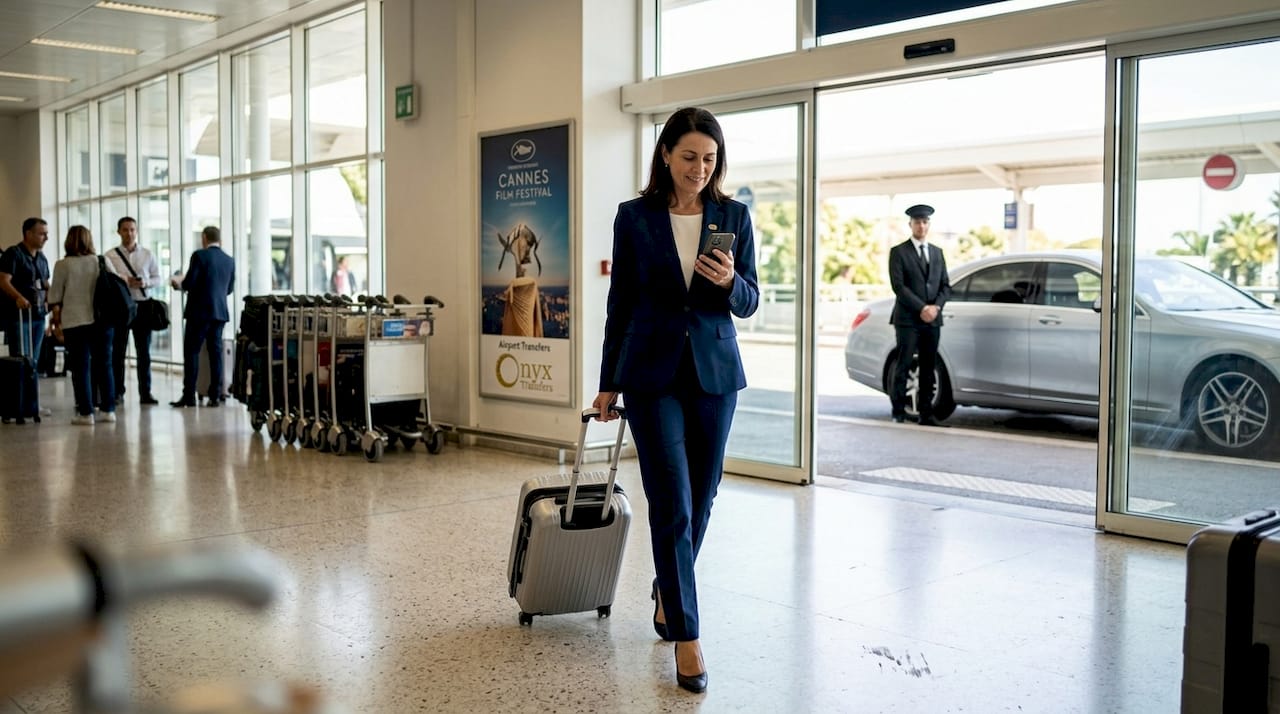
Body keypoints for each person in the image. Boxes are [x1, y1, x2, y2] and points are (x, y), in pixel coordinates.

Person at [592, 106, 759, 695]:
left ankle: (669, 587)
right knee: (672, 501)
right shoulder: (634, 218)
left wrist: (728, 282)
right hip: (651, 375)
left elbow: (749, 301)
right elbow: (622, 304)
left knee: (705, 493)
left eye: (709, 159)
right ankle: (688, 639)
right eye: (688, 156)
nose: (698, 168)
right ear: (666, 154)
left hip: (714, 372)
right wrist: (609, 379)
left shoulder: (733, 215)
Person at [48, 225, 119, 425]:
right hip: (102, 321)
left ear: (68, 241)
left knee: (80, 368)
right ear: (90, 240)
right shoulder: (101, 261)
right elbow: (116, 285)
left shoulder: (62, 265)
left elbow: (55, 296)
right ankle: (108, 410)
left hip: (74, 322)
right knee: (105, 365)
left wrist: (56, 322)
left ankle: (86, 413)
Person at [888, 204, 951, 426]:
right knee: (904, 364)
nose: (921, 226)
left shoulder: (937, 252)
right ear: (910, 225)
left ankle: (926, 413)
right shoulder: (898, 252)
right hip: (907, 319)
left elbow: (945, 286)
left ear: (929, 225)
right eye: (917, 222)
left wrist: (935, 308)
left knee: (928, 366)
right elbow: (899, 286)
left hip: (933, 319)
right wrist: (922, 308)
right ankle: (898, 412)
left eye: (925, 222)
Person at [171, 226, 234, 408]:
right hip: (219, 313)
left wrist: (178, 284)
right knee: (216, 354)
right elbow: (229, 289)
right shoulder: (229, 260)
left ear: (204, 238)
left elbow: (190, 282)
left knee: (192, 353)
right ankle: (215, 394)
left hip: (198, 313)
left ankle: (189, 395)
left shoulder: (199, 256)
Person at [105, 217, 161, 405]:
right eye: (125, 230)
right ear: (118, 232)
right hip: (121, 307)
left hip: (143, 305)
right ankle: (118, 391)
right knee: (118, 351)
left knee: (143, 352)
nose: (129, 233)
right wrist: (125, 280)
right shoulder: (110, 255)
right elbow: (109, 280)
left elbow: (157, 278)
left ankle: (145, 392)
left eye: (132, 230)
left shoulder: (147, 254)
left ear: (136, 231)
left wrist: (145, 282)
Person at [0, 218, 52, 416]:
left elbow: (45, 283)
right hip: (19, 316)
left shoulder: (41, 257)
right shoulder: (13, 254)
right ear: (28, 234)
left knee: (34, 360)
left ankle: (32, 402)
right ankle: (17, 403)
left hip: (38, 314)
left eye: (46, 233)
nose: (46, 237)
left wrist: (50, 300)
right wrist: (18, 297)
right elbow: (3, 281)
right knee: (21, 357)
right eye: (41, 233)